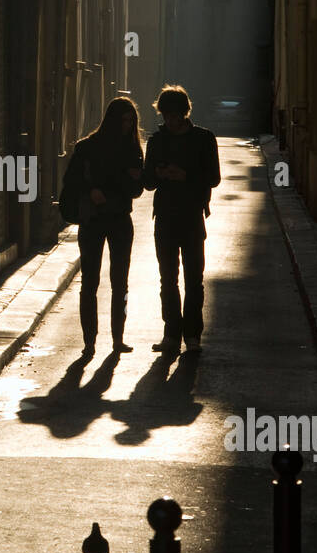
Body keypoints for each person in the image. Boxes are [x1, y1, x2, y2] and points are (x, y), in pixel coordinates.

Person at [59, 97, 145, 360]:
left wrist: (112, 186)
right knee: (90, 282)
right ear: (111, 120)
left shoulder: (133, 150)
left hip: (119, 219)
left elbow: (137, 189)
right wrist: (92, 190)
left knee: (120, 282)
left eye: (131, 121)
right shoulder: (87, 147)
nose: (127, 125)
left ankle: (118, 339)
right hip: (94, 220)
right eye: (123, 120)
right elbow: (71, 184)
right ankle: (89, 342)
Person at [143, 85, 220, 356]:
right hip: (164, 216)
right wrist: (159, 173)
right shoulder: (157, 140)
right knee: (168, 279)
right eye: (166, 116)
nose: (170, 121)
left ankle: (193, 335)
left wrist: (185, 176)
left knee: (194, 280)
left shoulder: (204, 139)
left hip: (192, 217)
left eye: (174, 116)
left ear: (184, 113)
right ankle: (171, 335)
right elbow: (148, 182)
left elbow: (214, 178)